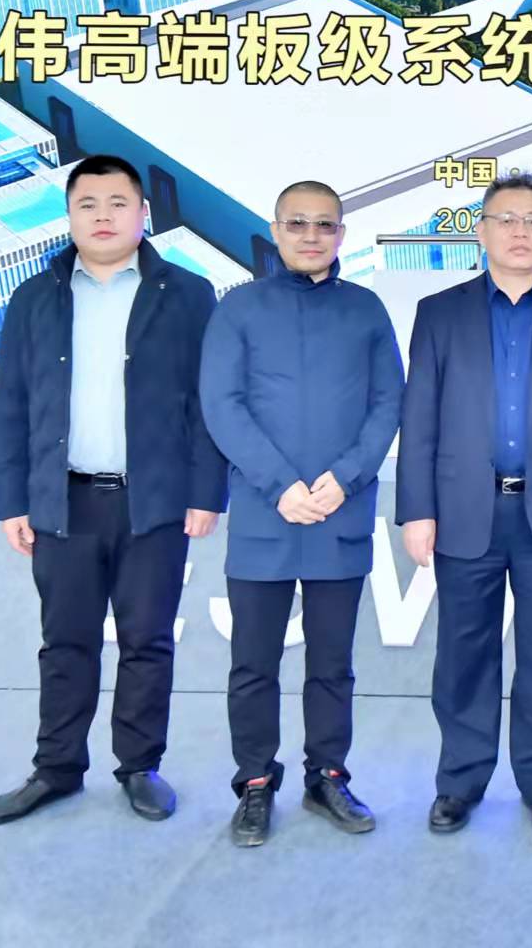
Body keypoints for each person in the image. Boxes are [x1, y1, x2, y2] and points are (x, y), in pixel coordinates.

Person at [0, 154, 228, 826]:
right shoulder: (33, 297)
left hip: (155, 500)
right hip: (63, 501)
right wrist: (11, 500)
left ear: (143, 213)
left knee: (147, 639)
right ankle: (56, 767)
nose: (102, 216)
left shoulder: (188, 293)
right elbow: (8, 405)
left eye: (117, 203)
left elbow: (207, 401)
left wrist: (207, 491)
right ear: (68, 215)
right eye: (86, 203)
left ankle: (139, 765)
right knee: (65, 641)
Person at [396, 173, 532, 837]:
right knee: (463, 659)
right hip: (465, 510)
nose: (519, 232)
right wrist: (416, 508)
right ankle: (459, 783)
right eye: (506, 219)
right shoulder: (439, 313)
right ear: (482, 230)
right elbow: (420, 416)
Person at [200, 181, 404, 847]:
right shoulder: (238, 308)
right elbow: (221, 403)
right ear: (275, 230)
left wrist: (344, 479)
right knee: (253, 665)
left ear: (341, 233)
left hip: (340, 512)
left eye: (324, 225)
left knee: (332, 664)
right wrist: (280, 485)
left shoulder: (366, 309)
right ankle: (255, 784)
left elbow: (388, 402)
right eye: (297, 223)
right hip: (265, 514)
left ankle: (328, 776)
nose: (311, 236)